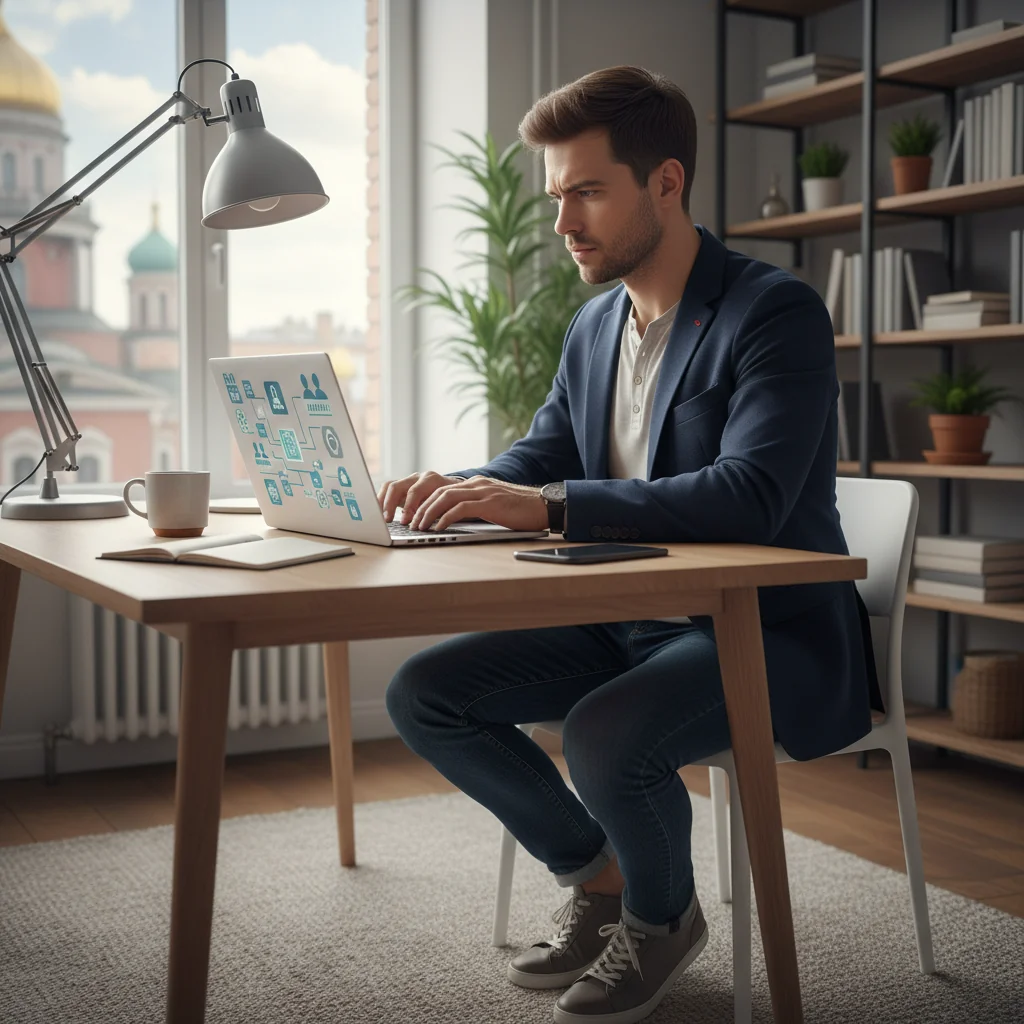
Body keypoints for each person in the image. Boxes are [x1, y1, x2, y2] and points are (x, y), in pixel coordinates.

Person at [380, 65, 881, 1024]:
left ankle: (661, 921)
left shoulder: (772, 313)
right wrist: (456, 489)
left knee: (605, 732)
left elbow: (753, 495)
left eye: (587, 191)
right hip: (624, 621)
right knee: (427, 695)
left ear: (665, 183)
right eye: (557, 194)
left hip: (760, 631)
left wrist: (551, 507)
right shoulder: (593, 325)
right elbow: (545, 455)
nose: (564, 221)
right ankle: (600, 877)